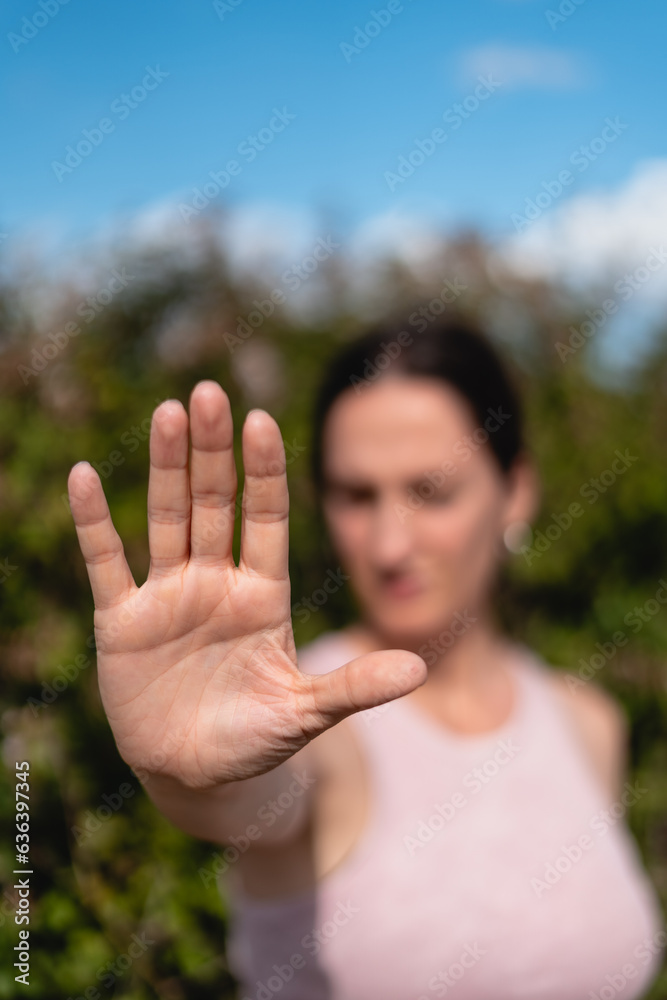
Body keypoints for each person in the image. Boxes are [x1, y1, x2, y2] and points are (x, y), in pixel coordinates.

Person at [68, 317, 664, 999]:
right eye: (356, 496)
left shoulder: (587, 723)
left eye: (431, 491)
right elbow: (255, 791)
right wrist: (191, 775)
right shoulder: (305, 713)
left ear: (516, 489)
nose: (387, 545)